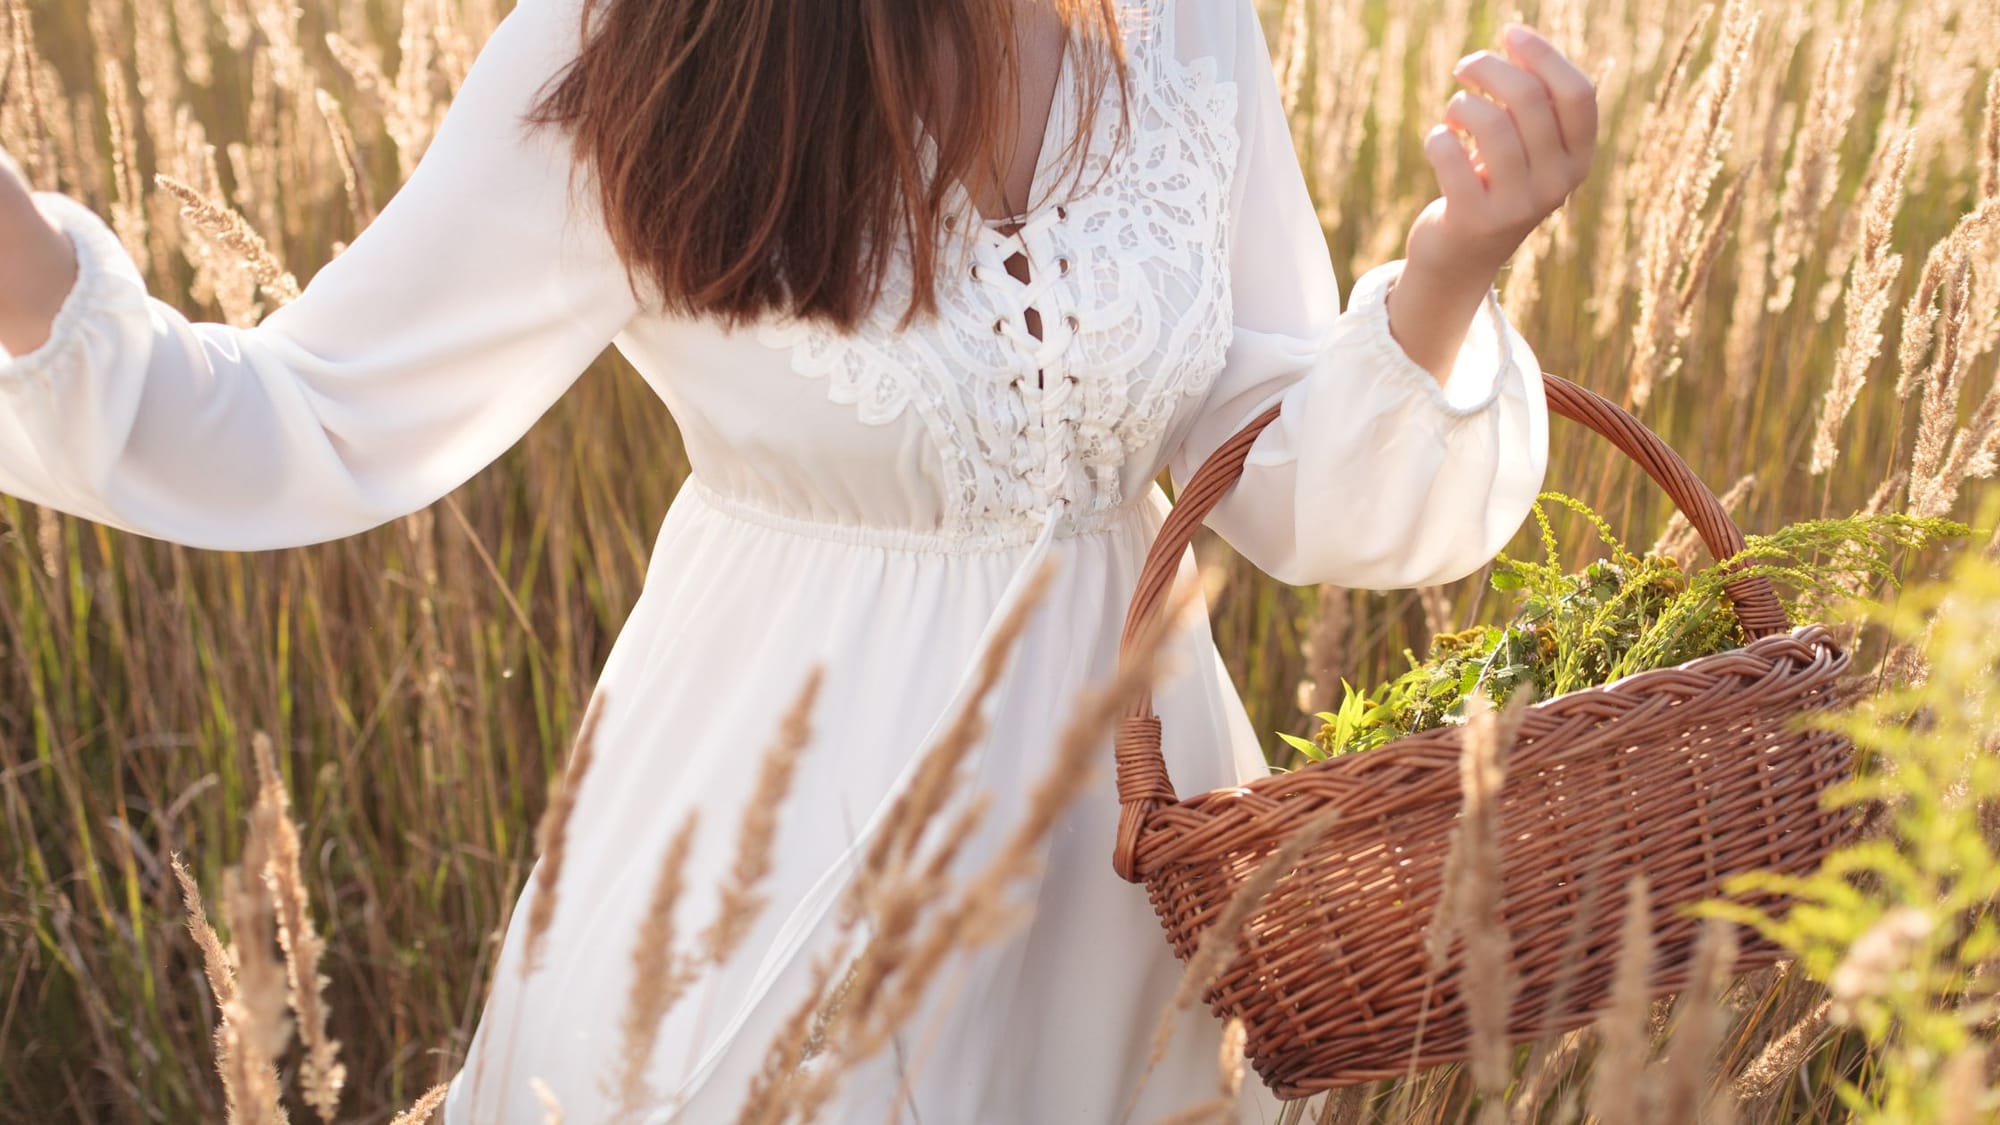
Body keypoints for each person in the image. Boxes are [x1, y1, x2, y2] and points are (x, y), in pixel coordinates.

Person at [0, 0, 1594, 1119]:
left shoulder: (1181, 22)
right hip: (772, 857)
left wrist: (1447, 279)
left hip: (1120, 872)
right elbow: (312, 419)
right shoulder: (642, 45)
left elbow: (1271, 462)